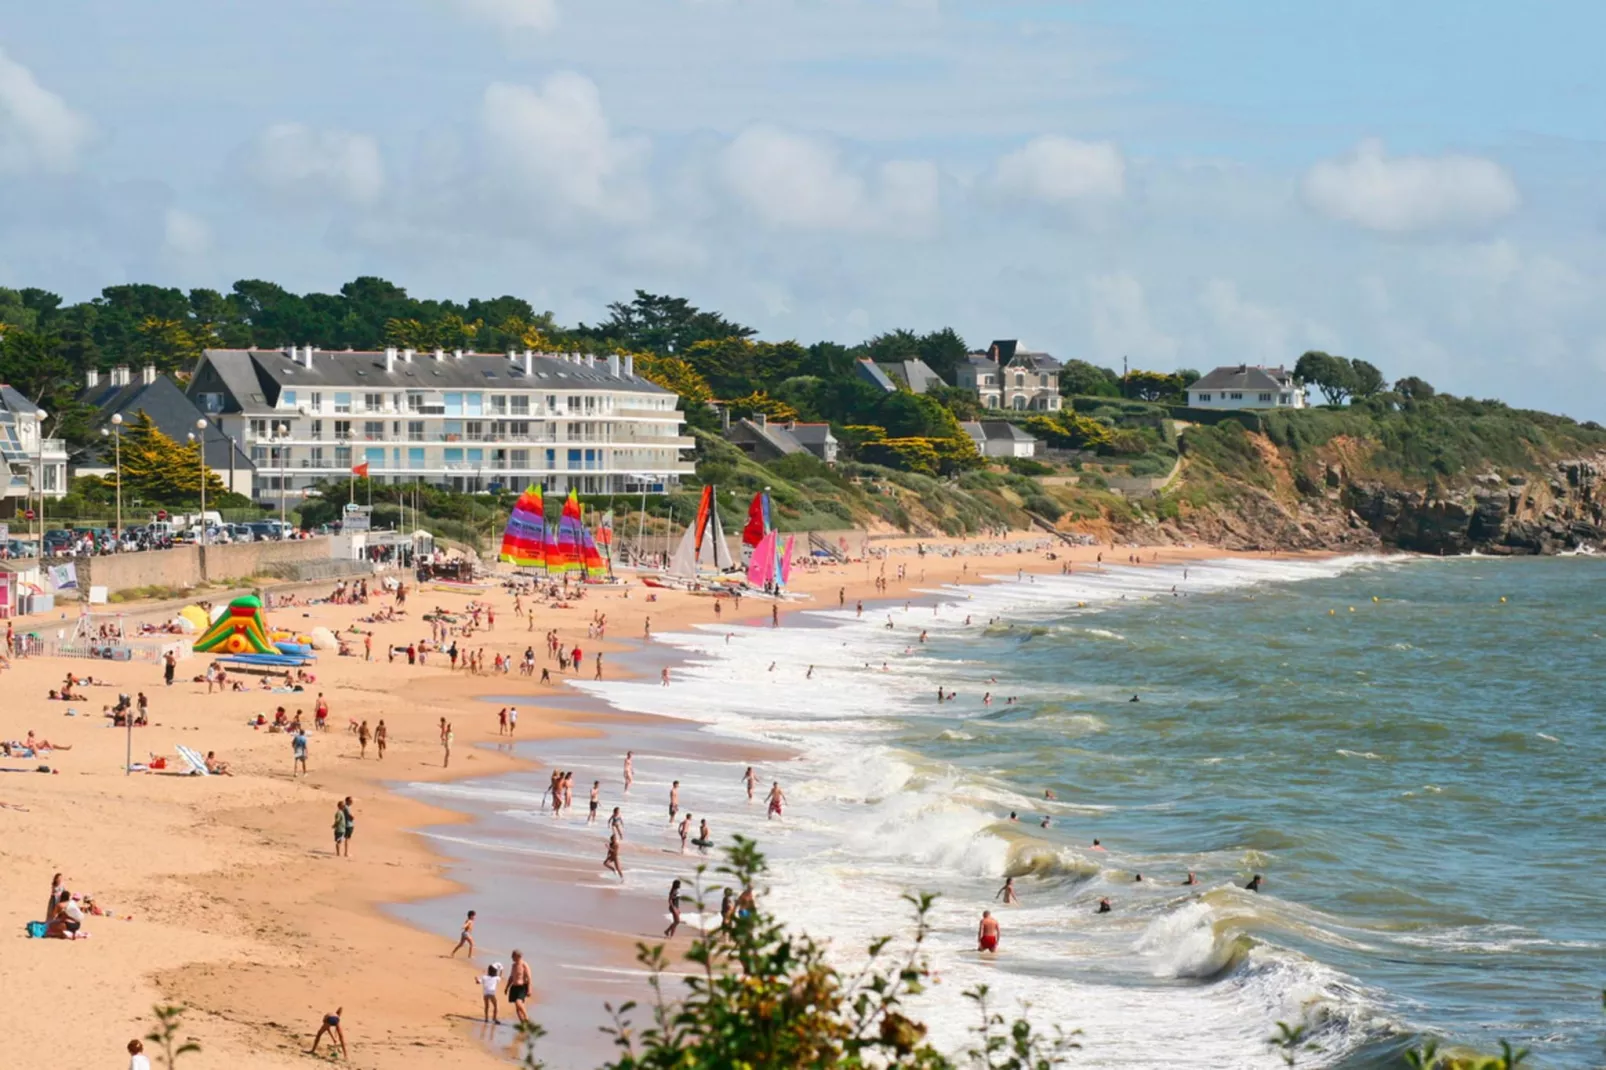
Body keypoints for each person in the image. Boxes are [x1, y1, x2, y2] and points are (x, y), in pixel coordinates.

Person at [505, 950, 532, 1024]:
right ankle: (523, 1023)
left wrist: (529, 989)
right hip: (514, 987)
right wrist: (507, 987)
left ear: (518, 956)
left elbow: (529, 977)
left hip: (522, 987)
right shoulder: (513, 965)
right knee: (517, 1008)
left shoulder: (524, 965)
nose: (511, 958)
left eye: (513, 956)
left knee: (518, 1003)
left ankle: (526, 1018)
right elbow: (511, 977)